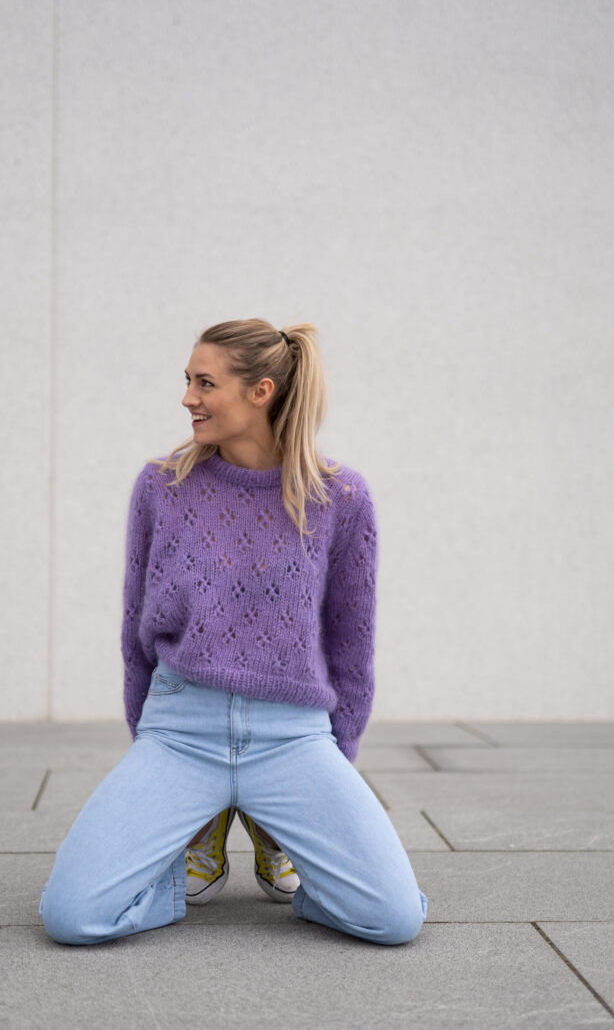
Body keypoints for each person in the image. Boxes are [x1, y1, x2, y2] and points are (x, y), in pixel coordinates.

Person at [39, 318, 428, 946]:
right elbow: (137, 634)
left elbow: (351, 648)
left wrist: (336, 763)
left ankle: (274, 829)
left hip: (292, 737)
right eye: (187, 381)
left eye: (204, 383)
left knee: (395, 919)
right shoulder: (162, 486)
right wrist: (149, 750)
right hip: (181, 732)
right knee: (70, 916)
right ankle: (204, 829)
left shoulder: (340, 496)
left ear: (260, 391)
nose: (187, 397)